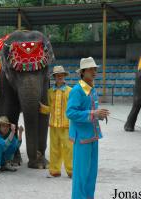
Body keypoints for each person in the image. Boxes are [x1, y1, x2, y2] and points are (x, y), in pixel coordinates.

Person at [66, 57, 110, 199]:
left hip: (93, 136)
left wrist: (99, 115)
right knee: (80, 175)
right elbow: (70, 112)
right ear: (83, 72)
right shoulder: (77, 90)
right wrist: (93, 113)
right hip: (82, 138)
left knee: (91, 174)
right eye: (90, 69)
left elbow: (91, 112)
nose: (94, 71)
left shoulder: (92, 89)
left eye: (95, 69)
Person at [39, 65, 73, 178]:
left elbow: (73, 108)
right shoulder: (50, 92)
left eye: (61, 75)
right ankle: (55, 170)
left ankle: (71, 171)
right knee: (54, 149)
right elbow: (50, 109)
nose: (59, 76)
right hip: (53, 125)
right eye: (57, 75)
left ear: (64, 76)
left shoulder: (70, 91)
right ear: (54, 77)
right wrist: (41, 107)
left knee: (69, 149)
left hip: (66, 126)